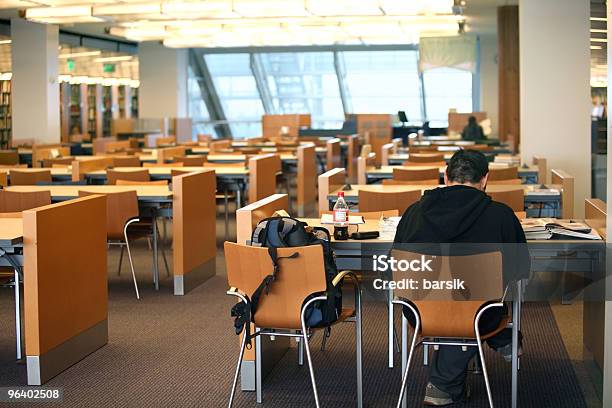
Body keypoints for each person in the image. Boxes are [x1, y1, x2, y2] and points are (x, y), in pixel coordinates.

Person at [393, 149, 529, 406]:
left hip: (419, 310)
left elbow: (396, 263)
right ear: (484, 179)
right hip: (480, 313)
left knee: (457, 299)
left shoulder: (413, 212)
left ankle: (451, 379)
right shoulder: (501, 215)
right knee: (474, 302)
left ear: (446, 177)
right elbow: (520, 271)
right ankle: (500, 340)